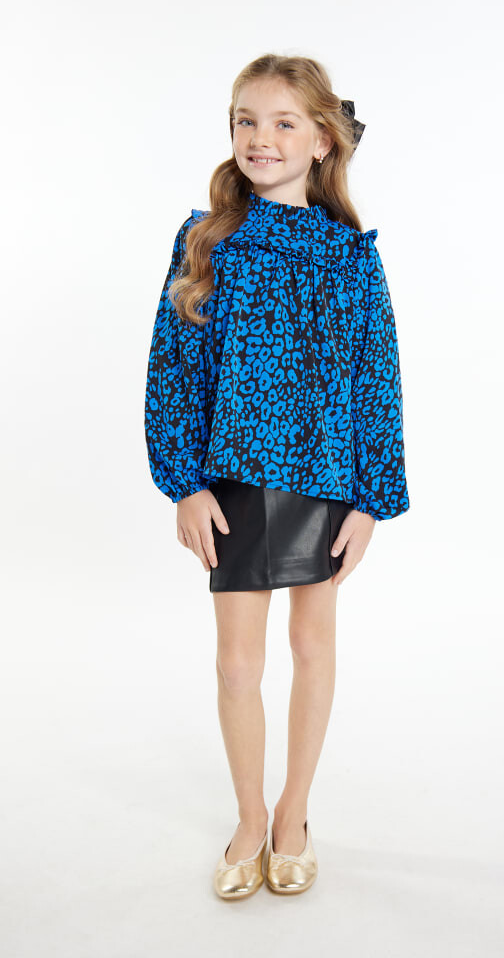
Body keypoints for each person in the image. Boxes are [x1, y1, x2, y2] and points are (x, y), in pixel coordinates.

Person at [144, 53, 410, 899]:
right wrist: (184, 483)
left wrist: (372, 499)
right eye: (246, 121)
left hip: (325, 475)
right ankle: (249, 816)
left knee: (311, 644)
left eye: (283, 122)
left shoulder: (350, 256)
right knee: (236, 663)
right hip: (229, 476)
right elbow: (174, 368)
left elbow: (376, 378)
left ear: (322, 140)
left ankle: (294, 814)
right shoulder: (207, 239)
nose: (261, 137)